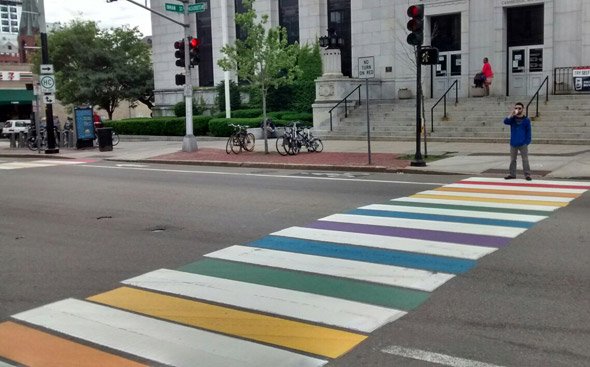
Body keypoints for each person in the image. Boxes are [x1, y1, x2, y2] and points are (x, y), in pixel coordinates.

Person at [503, 102, 532, 181]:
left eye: (519, 108)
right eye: (516, 108)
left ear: (522, 109)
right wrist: (511, 114)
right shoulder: (512, 119)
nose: (518, 110)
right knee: (513, 160)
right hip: (513, 143)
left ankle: (527, 175)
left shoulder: (526, 120)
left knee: (525, 159)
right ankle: (512, 174)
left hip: (523, 143)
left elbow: (529, 132)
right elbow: (505, 121)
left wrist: (527, 142)